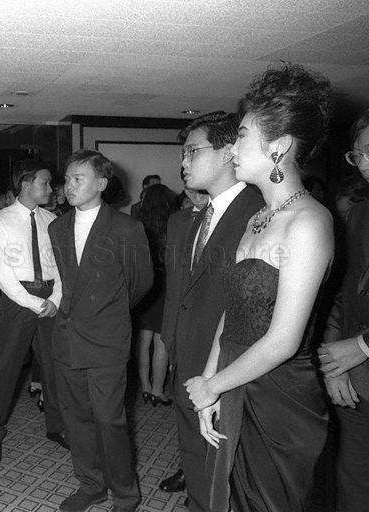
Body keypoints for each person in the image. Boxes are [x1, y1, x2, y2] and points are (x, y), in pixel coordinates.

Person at [185, 64, 333, 512]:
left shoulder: (309, 222)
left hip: (279, 398)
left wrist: (214, 385)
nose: (232, 148)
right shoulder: (257, 219)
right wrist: (210, 381)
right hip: (236, 378)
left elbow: (284, 340)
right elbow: (231, 312)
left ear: (279, 146)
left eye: (243, 136)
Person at [157, 111, 264, 510]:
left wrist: (218, 376)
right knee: (196, 461)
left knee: (232, 476)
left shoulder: (259, 211)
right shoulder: (197, 218)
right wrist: (172, 342)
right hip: (187, 359)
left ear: (227, 152)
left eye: (192, 151)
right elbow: (181, 292)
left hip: (232, 368)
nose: (183, 162)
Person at [48, 149, 152, 512]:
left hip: (107, 339)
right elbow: (67, 282)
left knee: (109, 420)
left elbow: (140, 283)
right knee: (76, 419)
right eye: (67, 178)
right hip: (67, 337)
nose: (69, 185)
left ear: (102, 184)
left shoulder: (126, 228)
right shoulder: (57, 227)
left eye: (78, 178)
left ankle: (125, 493)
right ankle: (90, 485)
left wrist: (109, 312)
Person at [0, 160, 66, 464]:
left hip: (50, 298)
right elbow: (0, 272)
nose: (50, 188)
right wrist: (33, 302)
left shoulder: (51, 219)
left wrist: (55, 298)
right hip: (17, 300)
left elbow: (61, 266)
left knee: (54, 368)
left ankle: (56, 427)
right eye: (45, 182)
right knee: (6, 369)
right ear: (26, 184)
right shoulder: (0, 220)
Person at [317, 108, 369, 512]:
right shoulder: (359, 214)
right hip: (357, 382)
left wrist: (363, 346)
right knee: (352, 483)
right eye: (359, 154)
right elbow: (342, 293)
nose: (364, 163)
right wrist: (334, 365)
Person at [134, 183, 177, 407]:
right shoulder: (174, 224)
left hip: (145, 283)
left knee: (143, 340)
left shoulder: (137, 224)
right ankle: (158, 390)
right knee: (161, 341)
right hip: (166, 283)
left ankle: (145, 386)